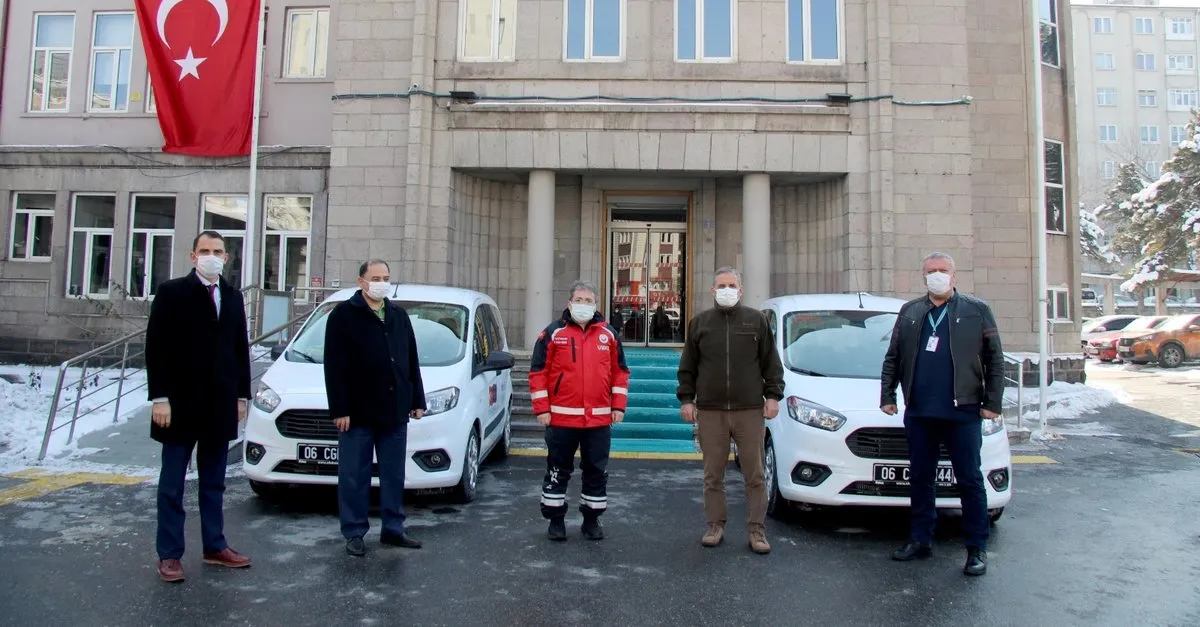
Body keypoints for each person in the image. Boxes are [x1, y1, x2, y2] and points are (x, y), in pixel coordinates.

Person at [880, 252, 1005, 577]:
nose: (937, 275)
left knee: (969, 480)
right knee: (921, 478)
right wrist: (888, 395)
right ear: (923, 277)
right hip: (920, 411)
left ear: (954, 275)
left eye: (942, 270)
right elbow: (893, 356)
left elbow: (996, 359)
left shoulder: (976, 310)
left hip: (962, 410)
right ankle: (921, 538)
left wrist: (993, 402)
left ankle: (976, 547)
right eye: (931, 271)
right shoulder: (911, 312)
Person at [145, 230, 253, 583]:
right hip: (178, 405)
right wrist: (159, 399)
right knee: (172, 484)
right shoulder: (172, 292)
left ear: (227, 257)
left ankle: (215, 545)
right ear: (193, 256)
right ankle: (170, 554)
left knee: (214, 482)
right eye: (204, 250)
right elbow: (156, 348)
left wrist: (240, 397)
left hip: (219, 405)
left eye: (217, 251)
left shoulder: (233, 297)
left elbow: (239, 349)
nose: (211, 256)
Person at [677, 267, 784, 554]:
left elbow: (770, 363)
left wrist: (773, 396)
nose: (726, 290)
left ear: (741, 289)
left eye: (731, 285)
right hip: (711, 411)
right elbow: (687, 367)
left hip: (749, 410)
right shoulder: (700, 323)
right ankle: (715, 526)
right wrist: (687, 400)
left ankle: (757, 531)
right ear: (712, 291)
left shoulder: (756, 321)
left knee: (755, 474)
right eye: (721, 285)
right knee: (713, 474)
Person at [323, 259, 427, 557]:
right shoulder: (343, 315)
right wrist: (339, 409)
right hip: (357, 413)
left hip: (394, 410)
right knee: (355, 475)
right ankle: (354, 531)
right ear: (361, 281)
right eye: (375, 277)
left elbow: (410, 359)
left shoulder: (397, 315)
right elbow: (335, 366)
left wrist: (416, 399)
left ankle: (393, 528)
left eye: (386, 277)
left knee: (393, 474)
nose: (381, 282)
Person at [529, 280, 630, 541]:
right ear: (569, 303)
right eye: (579, 300)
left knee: (596, 471)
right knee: (557, 469)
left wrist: (618, 406)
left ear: (595, 304)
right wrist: (542, 409)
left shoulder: (609, 335)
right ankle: (555, 521)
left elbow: (620, 373)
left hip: (598, 419)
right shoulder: (553, 333)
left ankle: (591, 520)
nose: (584, 305)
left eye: (588, 301)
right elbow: (538, 372)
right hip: (561, 417)